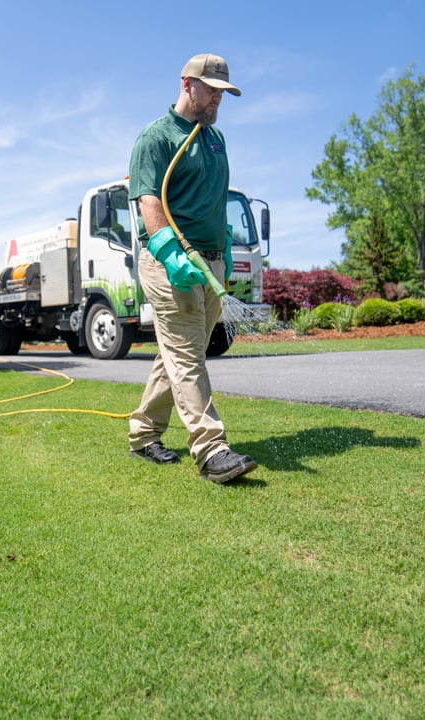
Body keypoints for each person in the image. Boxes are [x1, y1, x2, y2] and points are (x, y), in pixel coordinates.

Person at [126, 53, 258, 484]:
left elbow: (214, 199)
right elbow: (148, 199)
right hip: (172, 264)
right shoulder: (156, 137)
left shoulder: (215, 139)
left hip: (211, 262)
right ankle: (211, 449)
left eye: (223, 92)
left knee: (182, 354)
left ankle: (143, 433)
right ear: (187, 84)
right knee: (186, 354)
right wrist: (169, 253)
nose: (218, 98)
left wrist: (223, 253)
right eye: (211, 89)